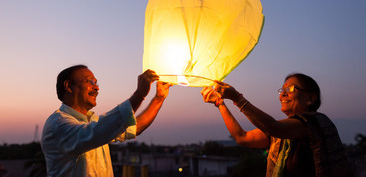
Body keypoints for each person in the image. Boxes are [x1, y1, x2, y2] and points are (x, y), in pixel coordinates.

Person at [201, 73, 353, 177]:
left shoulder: (316, 123)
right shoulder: (280, 135)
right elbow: (242, 137)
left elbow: (272, 127)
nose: (282, 94)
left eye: (290, 89)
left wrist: (237, 97)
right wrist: (220, 103)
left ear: (310, 98)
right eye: (282, 90)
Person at [41, 65, 171, 176]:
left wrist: (159, 98)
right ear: (68, 86)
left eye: (96, 83)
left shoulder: (93, 123)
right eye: (89, 81)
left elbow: (135, 127)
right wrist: (139, 95)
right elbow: (97, 132)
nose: (96, 88)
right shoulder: (57, 124)